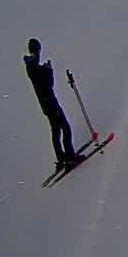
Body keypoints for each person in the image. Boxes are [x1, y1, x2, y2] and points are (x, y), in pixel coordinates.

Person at [24, 39, 80, 167]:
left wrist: (45, 69)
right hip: (50, 102)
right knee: (65, 127)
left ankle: (61, 156)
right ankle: (70, 157)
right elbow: (49, 85)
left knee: (56, 129)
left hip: (45, 104)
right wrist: (48, 70)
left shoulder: (31, 66)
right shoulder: (34, 66)